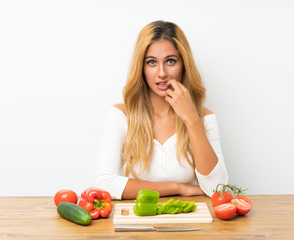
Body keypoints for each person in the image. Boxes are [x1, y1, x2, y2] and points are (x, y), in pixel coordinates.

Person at [93, 20, 228, 200]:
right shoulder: (121, 115)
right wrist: (178, 188)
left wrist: (191, 119)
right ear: (141, 68)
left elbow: (217, 189)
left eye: (170, 61)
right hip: (139, 218)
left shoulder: (204, 118)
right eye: (151, 62)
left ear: (184, 65)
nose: (162, 73)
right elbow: (103, 184)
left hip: (189, 218)